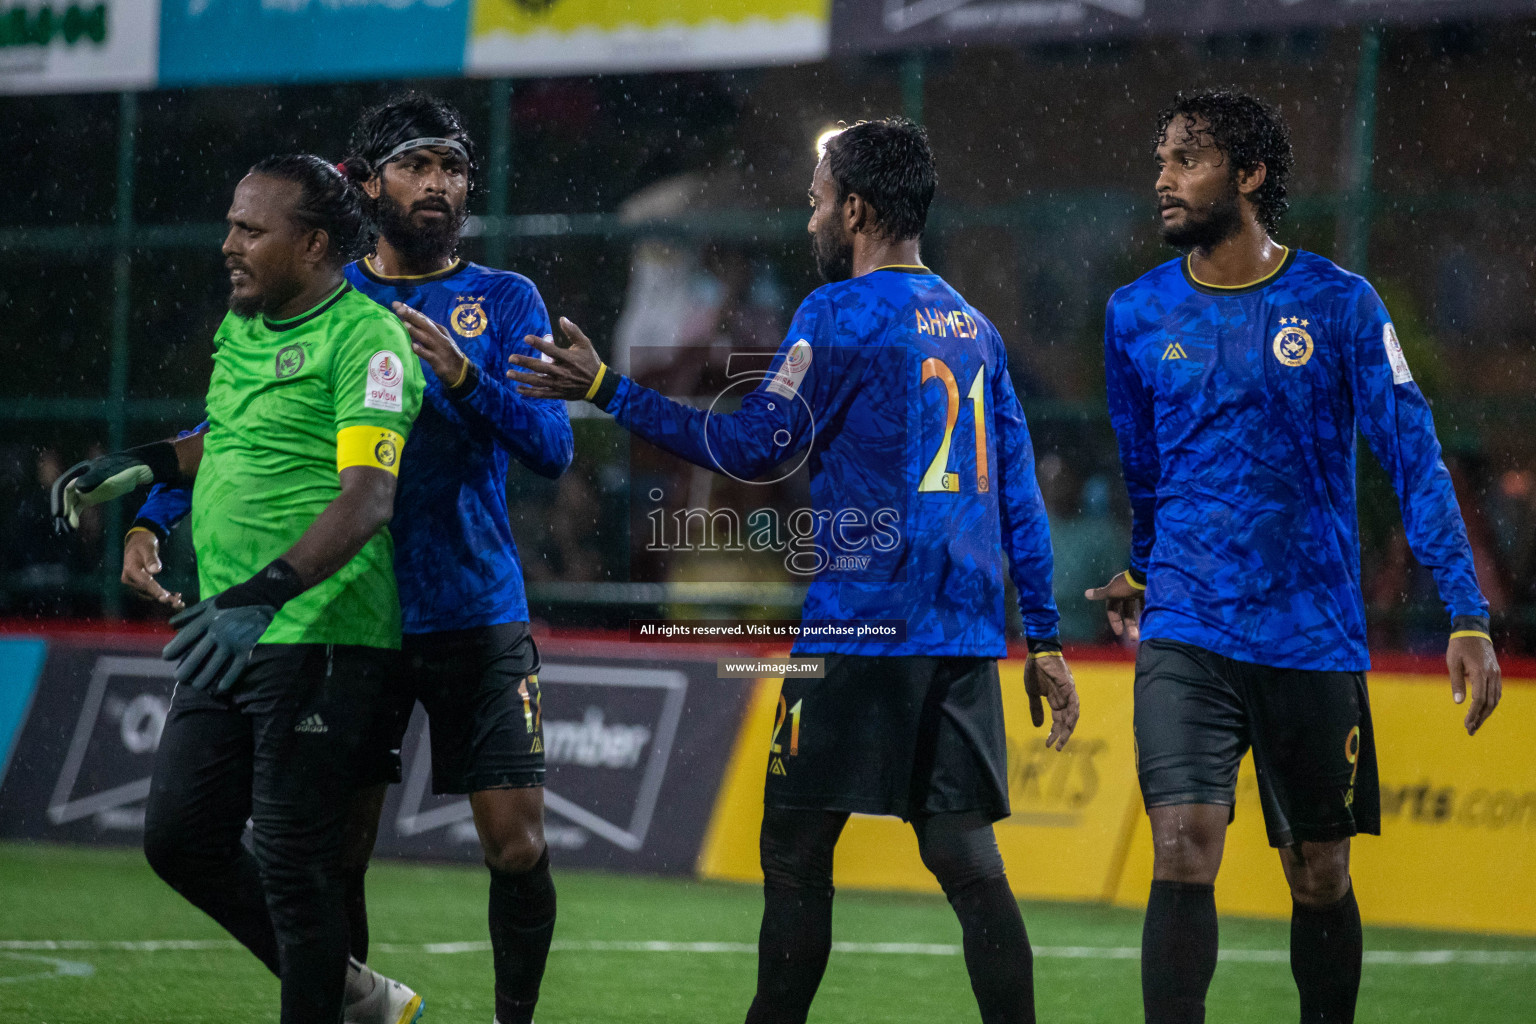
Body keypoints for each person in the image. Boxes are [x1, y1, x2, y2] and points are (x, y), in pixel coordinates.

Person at [506, 116, 1080, 1024]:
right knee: (970, 867)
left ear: (854, 209)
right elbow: (1018, 499)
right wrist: (1043, 636)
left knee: (797, 854)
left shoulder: (837, 315)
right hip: (961, 633)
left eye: (816, 203)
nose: (809, 219)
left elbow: (751, 445)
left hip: (858, 625)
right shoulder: (976, 329)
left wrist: (605, 390)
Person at [125, 94, 573, 1024]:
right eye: (418, 166)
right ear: (368, 185)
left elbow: (551, 446)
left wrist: (463, 373)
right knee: (333, 855)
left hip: (474, 609)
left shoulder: (503, 299)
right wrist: (153, 508)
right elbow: (235, 427)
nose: (441, 185)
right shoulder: (329, 295)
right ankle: (357, 1006)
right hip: (354, 612)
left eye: (452, 167)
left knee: (517, 846)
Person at [1085, 90, 1502, 1024]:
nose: (1162, 178)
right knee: (1184, 844)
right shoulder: (1135, 314)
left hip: (1309, 635)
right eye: (1161, 159)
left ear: (1251, 174)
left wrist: (1466, 612)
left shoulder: (1341, 306)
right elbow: (1145, 470)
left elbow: (1414, 458)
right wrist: (1145, 569)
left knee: (1319, 874)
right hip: (1187, 627)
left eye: (1186, 159)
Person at [52, 154, 425, 1023]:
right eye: (231, 223)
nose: (229, 243)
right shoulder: (240, 327)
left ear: (315, 243)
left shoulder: (367, 341)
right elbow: (224, 437)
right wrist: (142, 470)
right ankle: (357, 997)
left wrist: (266, 594)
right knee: (179, 838)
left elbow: (368, 499)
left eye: (251, 230)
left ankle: (335, 998)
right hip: (228, 623)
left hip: (321, 628)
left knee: (297, 864)